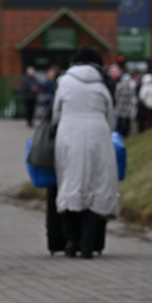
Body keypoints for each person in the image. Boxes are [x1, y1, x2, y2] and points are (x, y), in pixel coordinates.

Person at [51, 46, 120, 259]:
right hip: (99, 134)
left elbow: (55, 113)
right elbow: (111, 116)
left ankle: (71, 241)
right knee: (97, 187)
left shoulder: (64, 80)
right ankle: (88, 244)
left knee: (70, 185)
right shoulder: (104, 82)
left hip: (69, 133)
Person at [114, 72, 137, 138]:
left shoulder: (119, 86)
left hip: (120, 106)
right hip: (128, 107)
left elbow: (116, 96)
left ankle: (118, 134)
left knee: (119, 121)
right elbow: (133, 97)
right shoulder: (131, 86)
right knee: (127, 121)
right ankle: (126, 134)